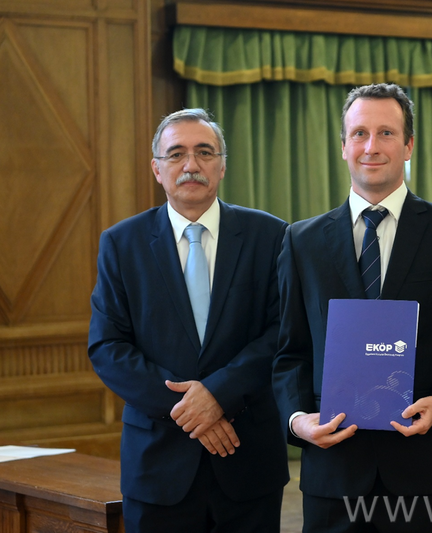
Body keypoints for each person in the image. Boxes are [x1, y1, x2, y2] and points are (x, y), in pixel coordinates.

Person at [272, 83, 432, 532]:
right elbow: (290, 352)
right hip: (333, 472)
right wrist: (298, 421)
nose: (371, 146)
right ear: (343, 146)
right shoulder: (301, 242)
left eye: (386, 133)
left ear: (409, 145)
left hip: (424, 472)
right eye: (359, 133)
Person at [88, 108, 289, 532]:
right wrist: (190, 409)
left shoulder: (271, 236)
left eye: (204, 152)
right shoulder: (121, 243)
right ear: (157, 169)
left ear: (222, 165)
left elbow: (283, 333)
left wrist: (218, 394)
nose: (191, 165)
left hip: (247, 459)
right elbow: (107, 347)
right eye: (176, 154)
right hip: (158, 467)